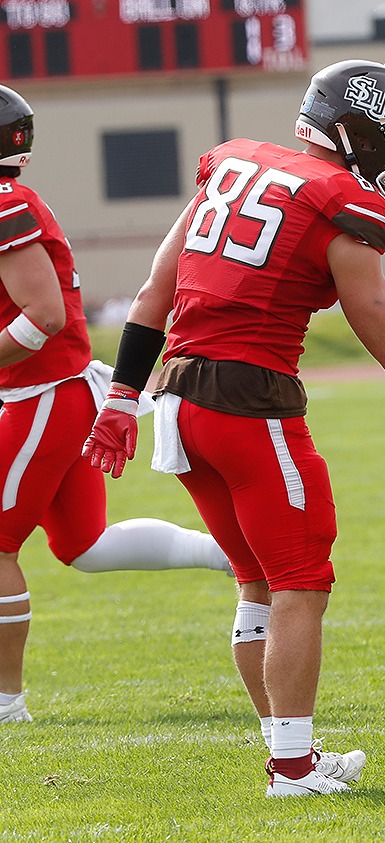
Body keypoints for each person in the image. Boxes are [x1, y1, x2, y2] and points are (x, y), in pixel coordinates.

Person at [80, 60, 385, 796]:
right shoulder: (340, 202)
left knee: (256, 582)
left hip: (175, 395)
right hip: (248, 400)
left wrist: (121, 396)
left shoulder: (232, 165)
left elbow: (155, 290)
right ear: (360, 132)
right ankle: (292, 769)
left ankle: (292, 756)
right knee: (300, 581)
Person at [0, 84, 232, 726]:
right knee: (83, 546)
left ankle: (5, 702)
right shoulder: (12, 200)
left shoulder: (6, 205)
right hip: (51, 393)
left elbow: (41, 317)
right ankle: (231, 552)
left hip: (43, 395)